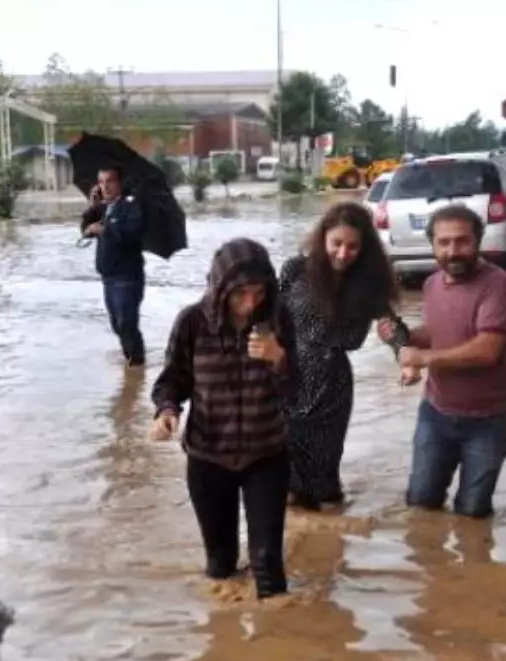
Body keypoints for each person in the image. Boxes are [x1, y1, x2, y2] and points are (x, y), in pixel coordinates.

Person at [149, 238, 297, 599]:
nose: (250, 303)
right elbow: (171, 381)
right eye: (239, 293)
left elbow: (297, 391)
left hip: (267, 455)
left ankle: (279, 643)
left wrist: (280, 359)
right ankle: (225, 639)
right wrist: (167, 411)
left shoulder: (278, 318)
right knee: (220, 566)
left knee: (268, 565)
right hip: (207, 458)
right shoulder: (192, 323)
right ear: (220, 289)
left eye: (258, 292)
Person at [376, 203, 506, 519]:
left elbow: (487, 348)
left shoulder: (499, 284)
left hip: (489, 419)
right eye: (444, 242)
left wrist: (424, 358)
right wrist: (405, 336)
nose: (453, 251)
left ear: (478, 241)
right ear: (432, 245)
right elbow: (440, 332)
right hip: (436, 413)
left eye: (462, 241)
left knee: (472, 513)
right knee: (420, 504)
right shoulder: (432, 285)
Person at [279, 201, 401, 511]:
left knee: (324, 481)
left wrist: (403, 350)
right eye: (337, 243)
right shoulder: (295, 270)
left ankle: (333, 541)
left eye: (353, 247)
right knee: (283, 477)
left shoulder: (369, 285)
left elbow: (390, 326)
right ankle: (297, 546)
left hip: (331, 389)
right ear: (323, 238)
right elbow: (268, 316)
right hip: (285, 379)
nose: (343, 253)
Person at [81, 166, 147, 367]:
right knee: (116, 323)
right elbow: (84, 229)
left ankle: (137, 362)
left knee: (126, 322)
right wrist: (92, 207)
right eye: (101, 182)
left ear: (119, 183)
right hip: (108, 277)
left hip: (128, 277)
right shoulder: (102, 208)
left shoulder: (131, 205)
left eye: (109, 181)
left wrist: (105, 228)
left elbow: (132, 234)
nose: (105, 186)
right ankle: (130, 358)